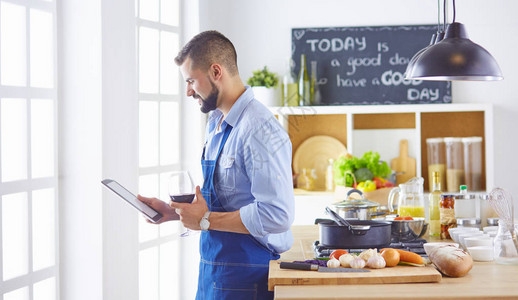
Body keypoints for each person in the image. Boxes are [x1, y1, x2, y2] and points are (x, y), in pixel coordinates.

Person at [138, 30, 295, 299]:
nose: (187, 91)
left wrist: (206, 219)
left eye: (190, 80)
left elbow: (277, 214)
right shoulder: (215, 122)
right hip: (213, 275)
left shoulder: (260, 129)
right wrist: (175, 212)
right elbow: (230, 202)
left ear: (215, 71)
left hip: (247, 279)